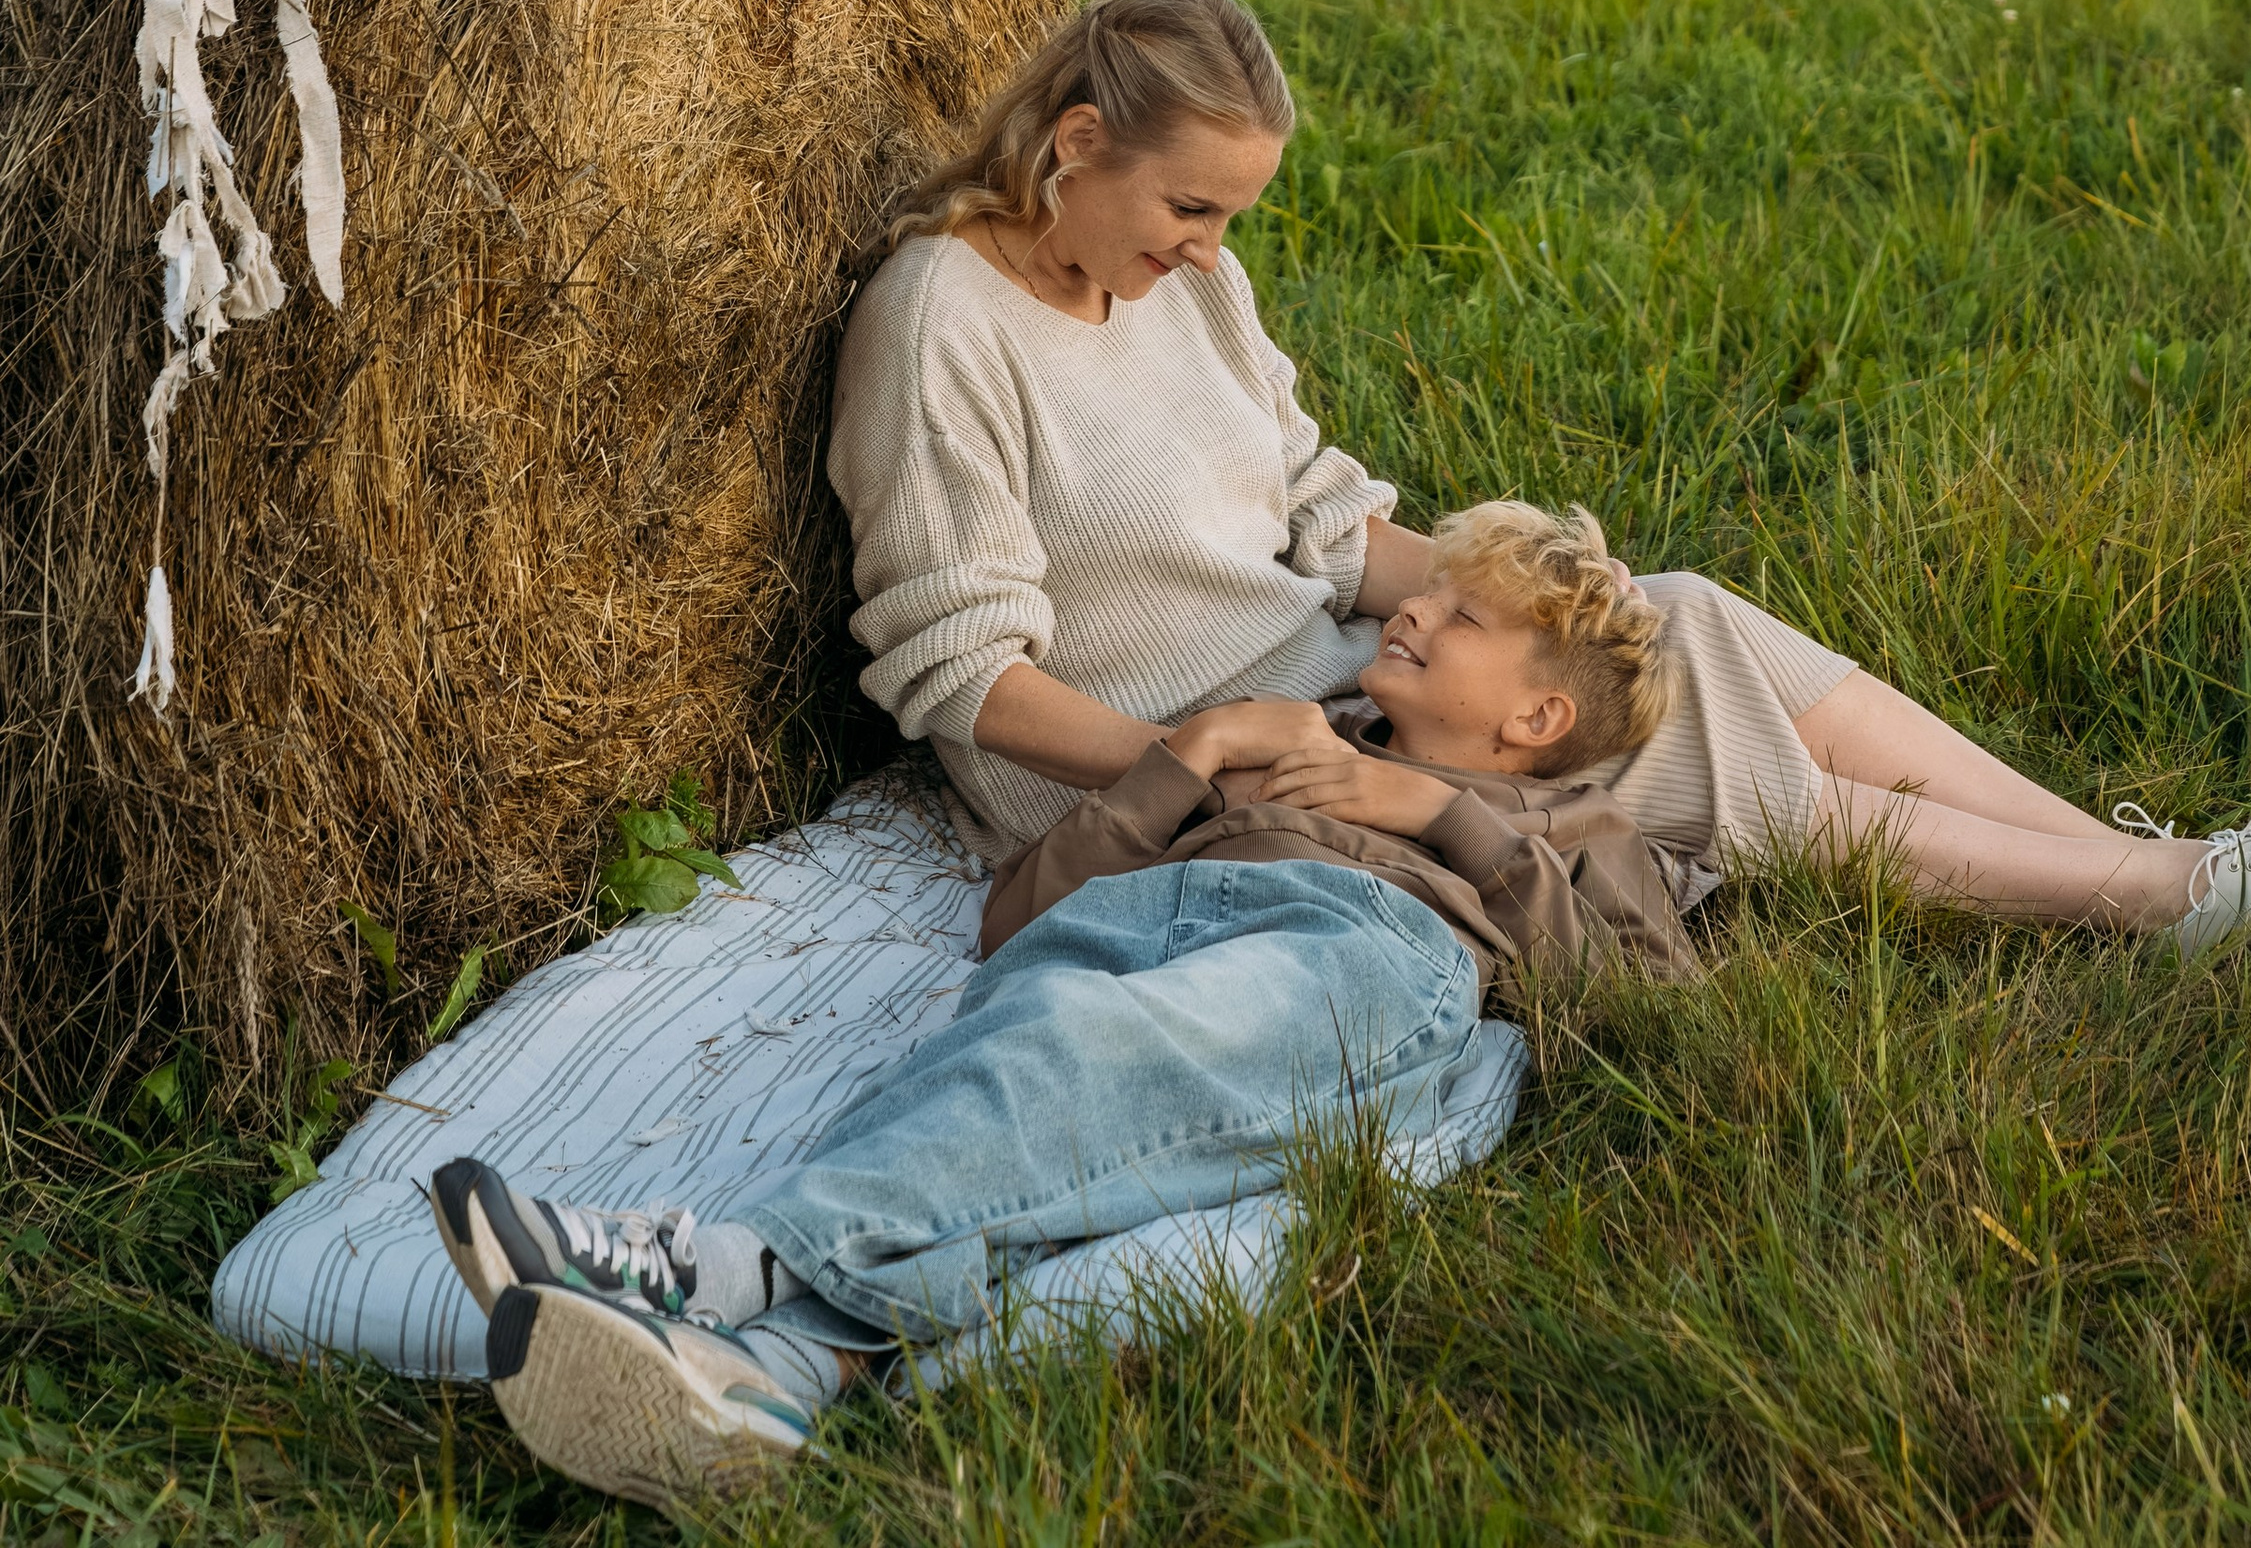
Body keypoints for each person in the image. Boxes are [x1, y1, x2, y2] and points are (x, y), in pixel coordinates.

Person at [828, 0, 2251, 940]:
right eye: (1193, 208)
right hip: (1172, 775)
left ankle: (2145, 860)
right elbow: (960, 679)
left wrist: (1514, 600)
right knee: (1688, 757)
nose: (1213, 249)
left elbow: (1315, 525)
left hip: (1342, 692)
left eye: (1232, 216)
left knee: (1678, 622)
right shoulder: (942, 322)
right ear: (1079, 142)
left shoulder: (1196, 294)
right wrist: (1215, 755)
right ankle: (2168, 902)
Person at [431, 501, 1699, 1509]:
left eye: (1462, 614)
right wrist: (1188, 757)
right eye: (1432, 587)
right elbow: (1012, 923)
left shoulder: (1568, 827)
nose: (1412, 602)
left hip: (1359, 945)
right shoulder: (1296, 735)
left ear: (1540, 715)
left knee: (1107, 1053)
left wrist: (1442, 818)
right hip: (1135, 920)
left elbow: (1646, 1011)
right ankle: (777, 1378)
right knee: (1016, 1062)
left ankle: (707, 1263)